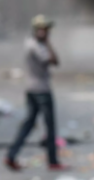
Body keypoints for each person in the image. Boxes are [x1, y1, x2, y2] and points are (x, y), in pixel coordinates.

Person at [6, 15, 68, 171]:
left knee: (29, 123)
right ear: (39, 30)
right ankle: (53, 161)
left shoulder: (30, 43)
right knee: (50, 127)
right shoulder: (37, 47)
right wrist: (48, 44)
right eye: (45, 30)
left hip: (31, 89)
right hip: (42, 90)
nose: (48, 33)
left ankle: (11, 155)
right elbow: (54, 61)